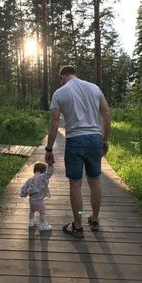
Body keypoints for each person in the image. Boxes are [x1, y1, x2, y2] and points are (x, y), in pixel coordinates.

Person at [45, 65, 111, 238]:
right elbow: (106, 115)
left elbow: (54, 124)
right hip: (95, 139)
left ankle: (78, 226)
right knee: (95, 180)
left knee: (75, 183)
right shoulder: (94, 88)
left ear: (62, 77)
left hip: (75, 140)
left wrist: (49, 149)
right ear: (75, 74)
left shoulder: (59, 93)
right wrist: (104, 139)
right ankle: (95, 220)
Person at [20, 162, 54, 231]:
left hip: (31, 201)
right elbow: (49, 173)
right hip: (39, 201)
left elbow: (24, 187)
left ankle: (31, 222)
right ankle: (42, 225)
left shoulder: (30, 179)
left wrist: (23, 193)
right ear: (44, 172)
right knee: (42, 212)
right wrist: (50, 165)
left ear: (34, 171)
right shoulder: (42, 178)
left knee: (32, 211)